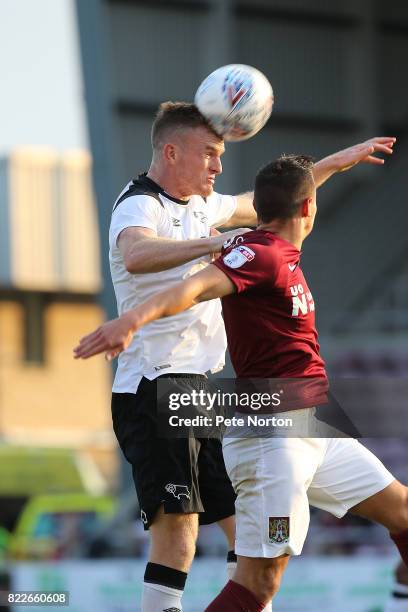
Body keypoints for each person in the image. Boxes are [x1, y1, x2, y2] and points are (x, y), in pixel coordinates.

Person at [80, 98, 396, 611]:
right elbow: (137, 254)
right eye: (209, 153)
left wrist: (339, 160)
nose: (218, 165)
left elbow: (274, 201)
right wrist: (214, 246)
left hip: (206, 391)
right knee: (179, 535)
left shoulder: (206, 205)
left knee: (244, 533)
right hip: (156, 386)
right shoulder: (141, 204)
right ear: (171, 150)